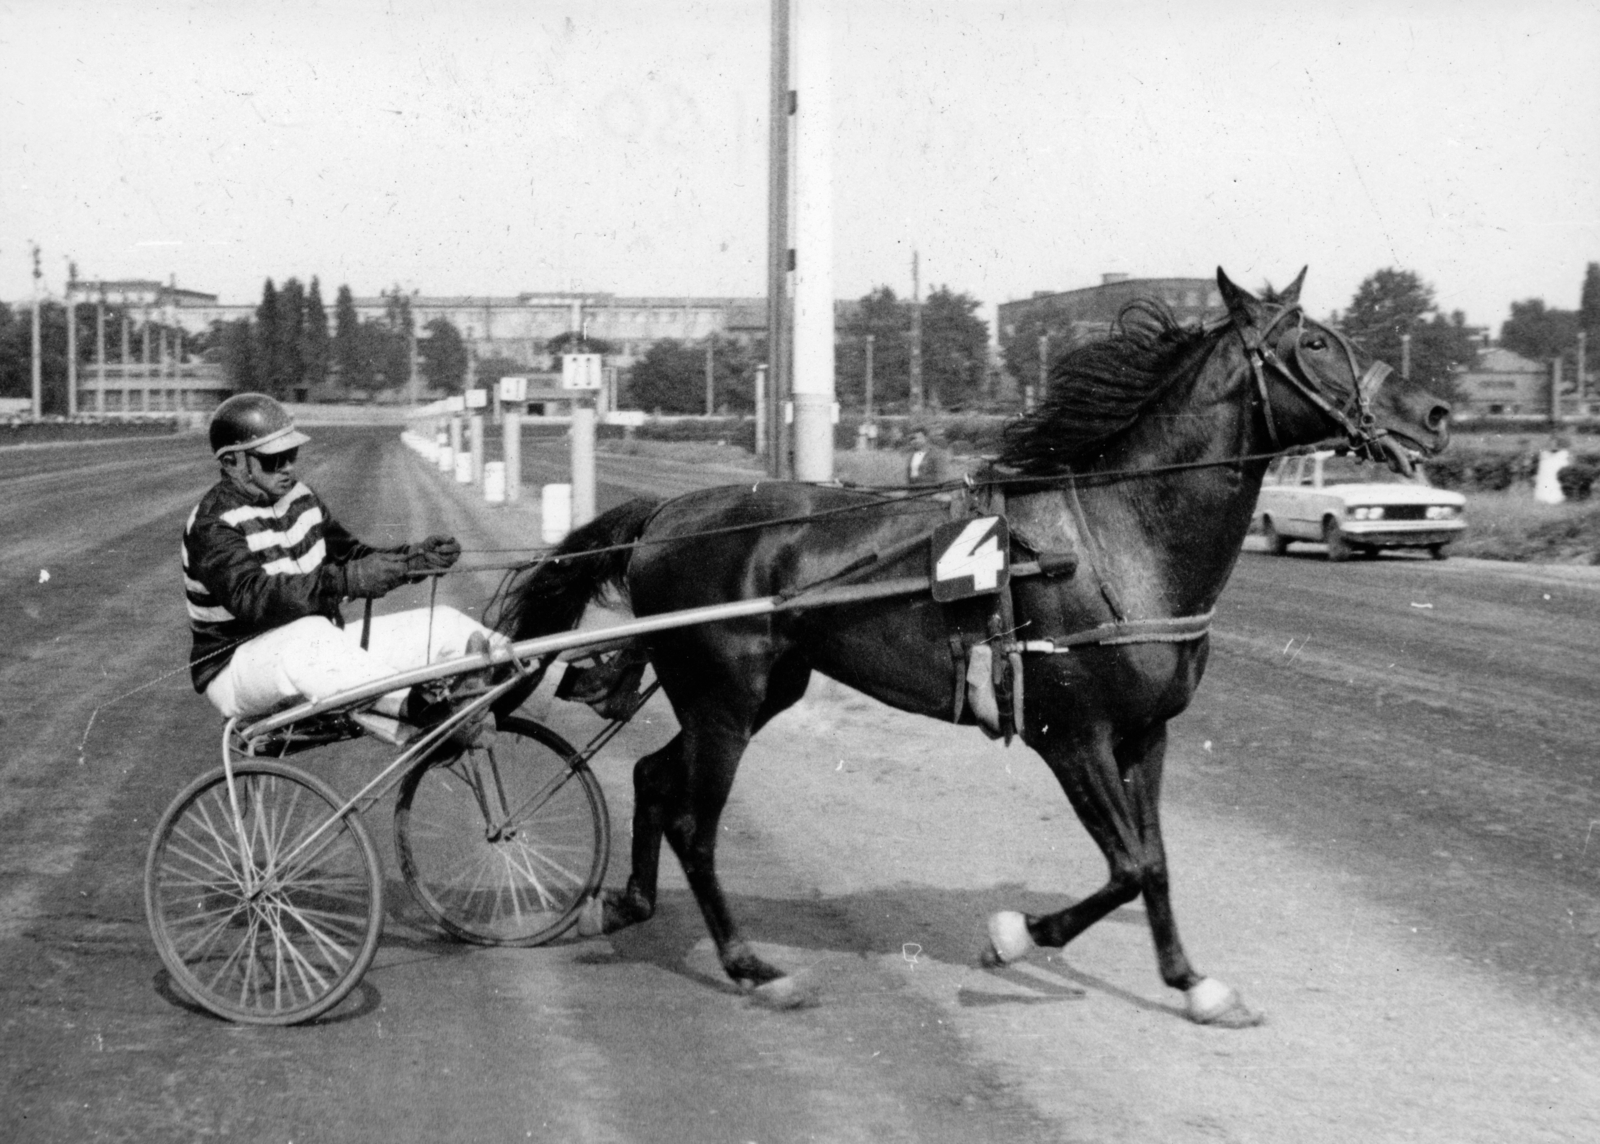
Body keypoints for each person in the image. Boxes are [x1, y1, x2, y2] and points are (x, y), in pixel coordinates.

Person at [182, 392, 504, 724]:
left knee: (447, 625)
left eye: (291, 453)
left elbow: (353, 555)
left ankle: (527, 679)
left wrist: (411, 560)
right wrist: (348, 579)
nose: (289, 467)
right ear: (232, 463)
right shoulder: (213, 524)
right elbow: (257, 598)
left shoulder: (300, 497)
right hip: (237, 669)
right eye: (273, 459)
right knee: (308, 635)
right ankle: (425, 710)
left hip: (316, 645)